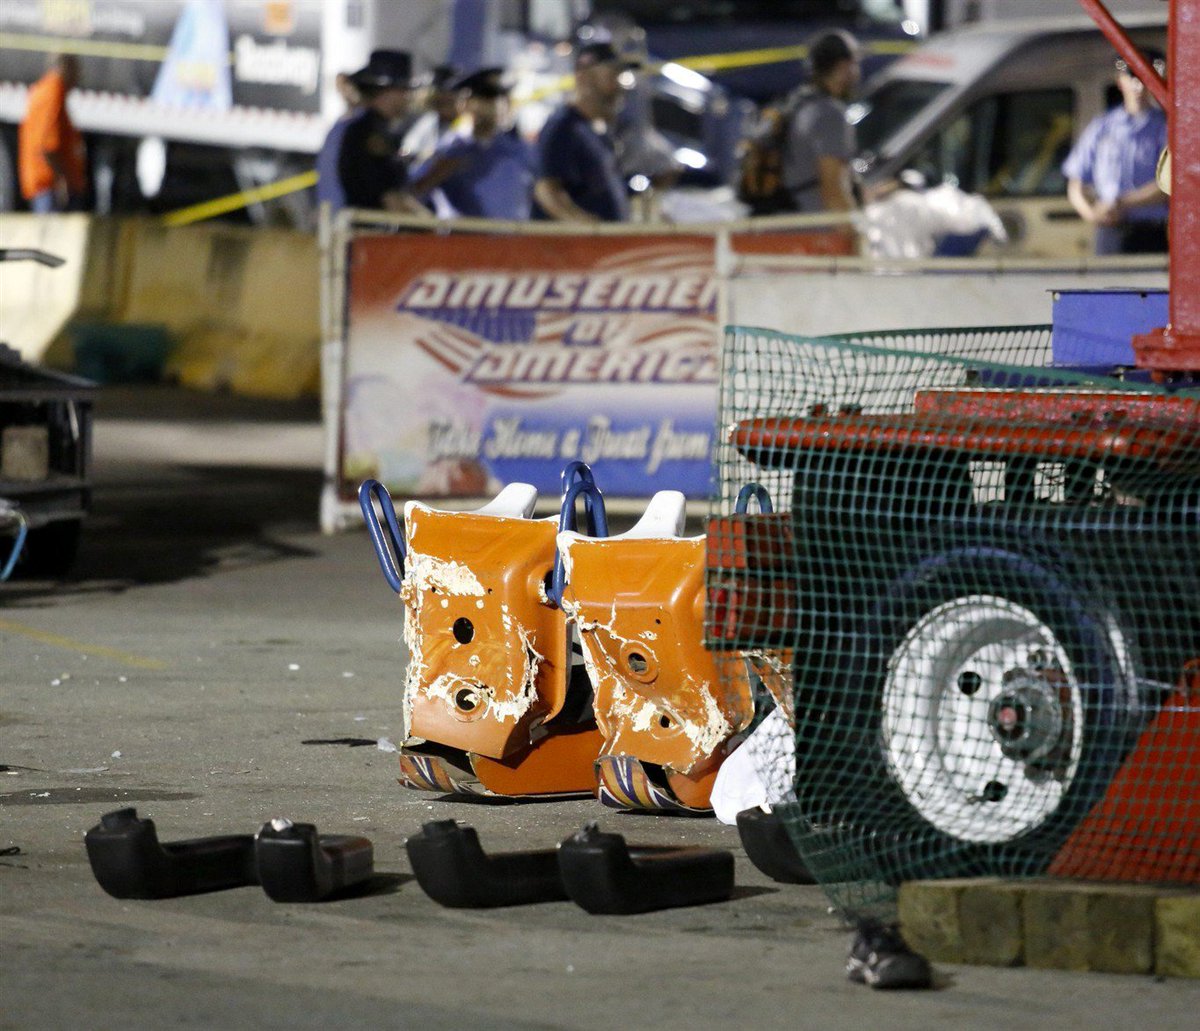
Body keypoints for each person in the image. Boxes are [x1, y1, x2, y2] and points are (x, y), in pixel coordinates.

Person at [1063, 49, 1169, 255]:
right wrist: (1093, 213)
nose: (1138, 85)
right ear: (1120, 80)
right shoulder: (1102, 127)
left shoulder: (1165, 127)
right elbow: (1076, 183)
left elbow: (1168, 184)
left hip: (1150, 231)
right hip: (1109, 231)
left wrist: (1121, 203)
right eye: (1132, 77)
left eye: (1144, 78)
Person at [409, 68, 538, 220]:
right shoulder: (451, 149)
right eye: (486, 97)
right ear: (464, 103)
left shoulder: (518, 149)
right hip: (462, 233)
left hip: (513, 233)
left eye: (500, 97)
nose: (495, 105)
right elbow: (412, 191)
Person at [315, 49, 427, 215]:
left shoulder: (363, 127)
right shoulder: (369, 133)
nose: (408, 97)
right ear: (386, 92)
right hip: (367, 227)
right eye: (403, 89)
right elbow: (389, 196)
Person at [534, 41, 636, 223]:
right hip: (574, 241)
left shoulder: (598, 132)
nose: (621, 85)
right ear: (584, 77)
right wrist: (586, 228)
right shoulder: (564, 127)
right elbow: (547, 190)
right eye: (612, 74)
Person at [781, 30, 861, 214]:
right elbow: (833, 190)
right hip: (814, 223)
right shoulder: (830, 114)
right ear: (843, 67)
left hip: (786, 218)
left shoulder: (797, 103)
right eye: (855, 63)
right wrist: (854, 229)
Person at [19, 54, 86, 213]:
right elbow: (47, 146)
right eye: (75, 70)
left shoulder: (45, 90)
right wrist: (62, 179)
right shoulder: (53, 91)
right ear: (64, 68)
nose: (78, 76)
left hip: (46, 185)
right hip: (49, 186)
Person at [401, 63, 464, 166]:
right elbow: (407, 152)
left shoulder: (467, 124)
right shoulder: (430, 120)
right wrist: (423, 156)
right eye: (439, 103)